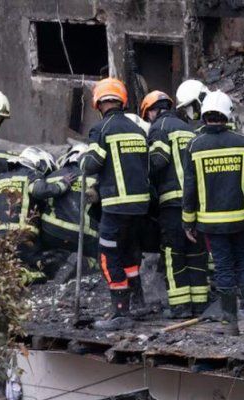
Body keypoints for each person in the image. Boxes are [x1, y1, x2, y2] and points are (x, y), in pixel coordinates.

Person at [182, 90, 244, 335]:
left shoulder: (195, 146)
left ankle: (230, 323)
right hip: (240, 220)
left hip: (211, 224)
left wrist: (188, 221)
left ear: (205, 114)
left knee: (223, 268)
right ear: (228, 114)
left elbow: (190, 189)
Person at [80, 78, 150, 331]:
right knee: (130, 251)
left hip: (116, 205)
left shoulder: (102, 129)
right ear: (122, 100)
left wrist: (82, 158)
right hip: (140, 205)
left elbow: (92, 165)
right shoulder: (138, 130)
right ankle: (138, 302)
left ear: (98, 103)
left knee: (109, 255)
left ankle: (121, 312)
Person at [142, 90, 209, 319]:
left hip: (172, 202)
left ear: (152, 110)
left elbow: (159, 160)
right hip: (197, 202)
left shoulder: (159, 128)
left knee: (173, 252)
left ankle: (180, 307)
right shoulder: (188, 129)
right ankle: (200, 304)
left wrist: (141, 173)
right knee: (197, 250)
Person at [0, 147, 70, 284]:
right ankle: (24, 276)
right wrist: (62, 185)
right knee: (49, 268)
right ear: (40, 164)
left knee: (0, 265)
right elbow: (39, 191)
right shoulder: (31, 176)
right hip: (22, 239)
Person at [40, 144, 101, 260]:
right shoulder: (96, 178)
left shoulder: (52, 176)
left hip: (52, 232)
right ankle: (87, 263)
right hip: (83, 237)